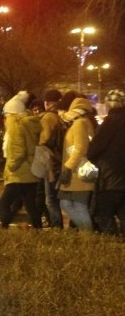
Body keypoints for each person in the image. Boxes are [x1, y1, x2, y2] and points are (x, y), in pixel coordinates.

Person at [0, 92, 42, 228]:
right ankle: (37, 228)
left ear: (12, 113)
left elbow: (18, 150)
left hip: (19, 173)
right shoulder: (29, 123)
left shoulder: (15, 126)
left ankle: (4, 227)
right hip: (30, 170)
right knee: (30, 204)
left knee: (4, 203)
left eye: (6, 114)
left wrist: (11, 167)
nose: (5, 117)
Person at [87, 89, 125, 236]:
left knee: (101, 213)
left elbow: (95, 148)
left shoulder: (111, 122)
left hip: (111, 176)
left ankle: (113, 243)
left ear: (109, 105)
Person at [56, 96, 96, 232]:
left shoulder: (80, 124)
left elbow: (80, 148)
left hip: (77, 173)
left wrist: (68, 167)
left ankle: (88, 235)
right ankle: (86, 232)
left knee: (78, 206)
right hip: (75, 173)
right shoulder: (82, 122)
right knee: (66, 203)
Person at [37, 89, 64, 228]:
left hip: (50, 162)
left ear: (47, 102)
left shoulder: (48, 118)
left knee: (50, 199)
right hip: (60, 160)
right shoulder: (62, 116)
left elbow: (44, 139)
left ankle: (56, 226)